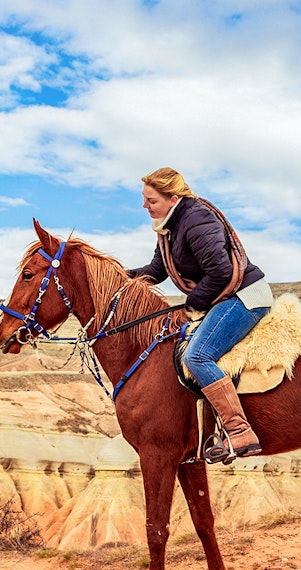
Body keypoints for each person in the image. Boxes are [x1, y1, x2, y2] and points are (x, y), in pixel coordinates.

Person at [128, 167, 274, 462]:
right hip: (221, 298)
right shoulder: (168, 228)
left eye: (151, 200)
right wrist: (118, 277)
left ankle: (239, 431)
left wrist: (192, 304)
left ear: (172, 198)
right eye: (144, 199)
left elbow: (221, 272)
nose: (145, 206)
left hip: (244, 297)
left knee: (197, 356)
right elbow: (157, 271)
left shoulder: (196, 219)